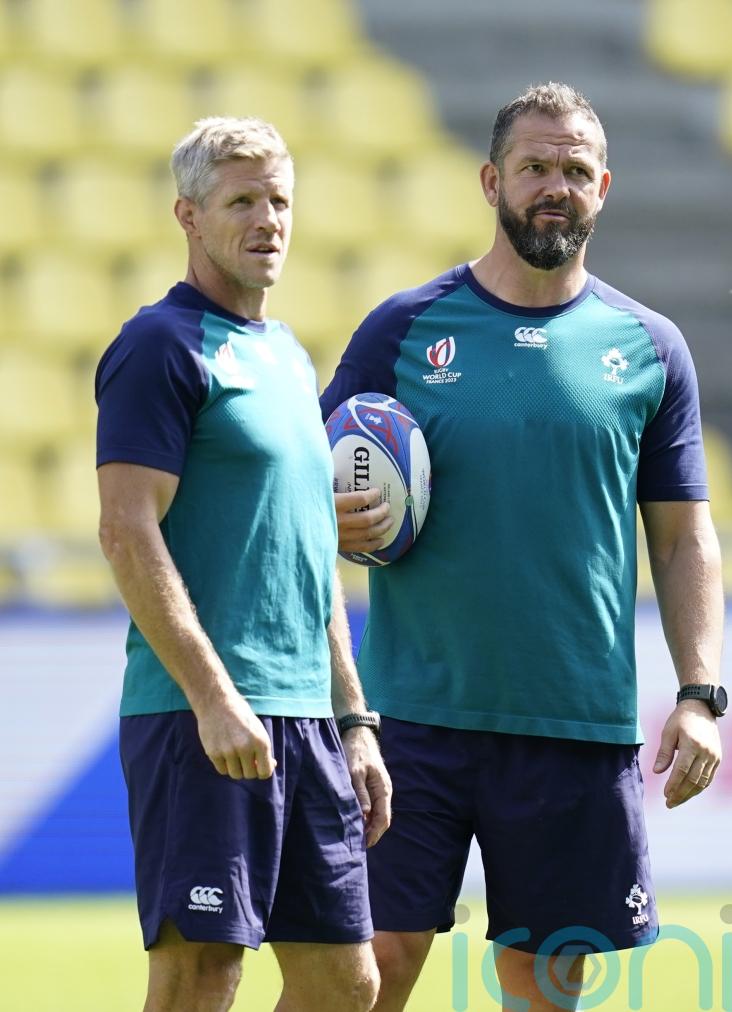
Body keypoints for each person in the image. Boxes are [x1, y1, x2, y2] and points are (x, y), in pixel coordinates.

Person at [321, 82, 726, 1012]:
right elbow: (312, 475)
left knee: (543, 992)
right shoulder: (403, 328)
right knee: (365, 971)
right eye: (535, 166)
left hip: (572, 724)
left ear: (604, 188)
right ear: (490, 180)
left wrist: (700, 694)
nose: (555, 185)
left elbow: (682, 534)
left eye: (574, 170)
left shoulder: (651, 347)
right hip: (413, 718)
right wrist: (329, 514)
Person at [96, 117, 390, 1012]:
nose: (268, 221)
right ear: (188, 215)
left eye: (279, 201)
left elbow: (309, 554)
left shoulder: (289, 357)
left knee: (347, 982)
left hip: (308, 719)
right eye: (242, 202)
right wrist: (214, 697)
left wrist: (354, 718)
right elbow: (125, 530)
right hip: (206, 717)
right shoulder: (159, 346)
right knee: (200, 974)